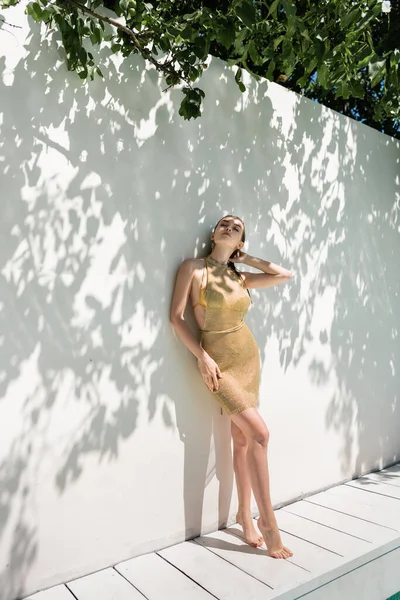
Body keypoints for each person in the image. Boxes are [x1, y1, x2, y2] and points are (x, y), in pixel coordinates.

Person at [170, 214, 293, 559]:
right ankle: (268, 523)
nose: (229, 227)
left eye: (236, 227)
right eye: (224, 223)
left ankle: (244, 515)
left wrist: (248, 258)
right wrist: (202, 357)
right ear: (213, 232)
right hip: (219, 363)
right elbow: (176, 318)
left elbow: (284, 275)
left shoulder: (239, 277)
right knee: (260, 435)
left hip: (248, 359)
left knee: (242, 439)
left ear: (239, 241)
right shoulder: (193, 268)